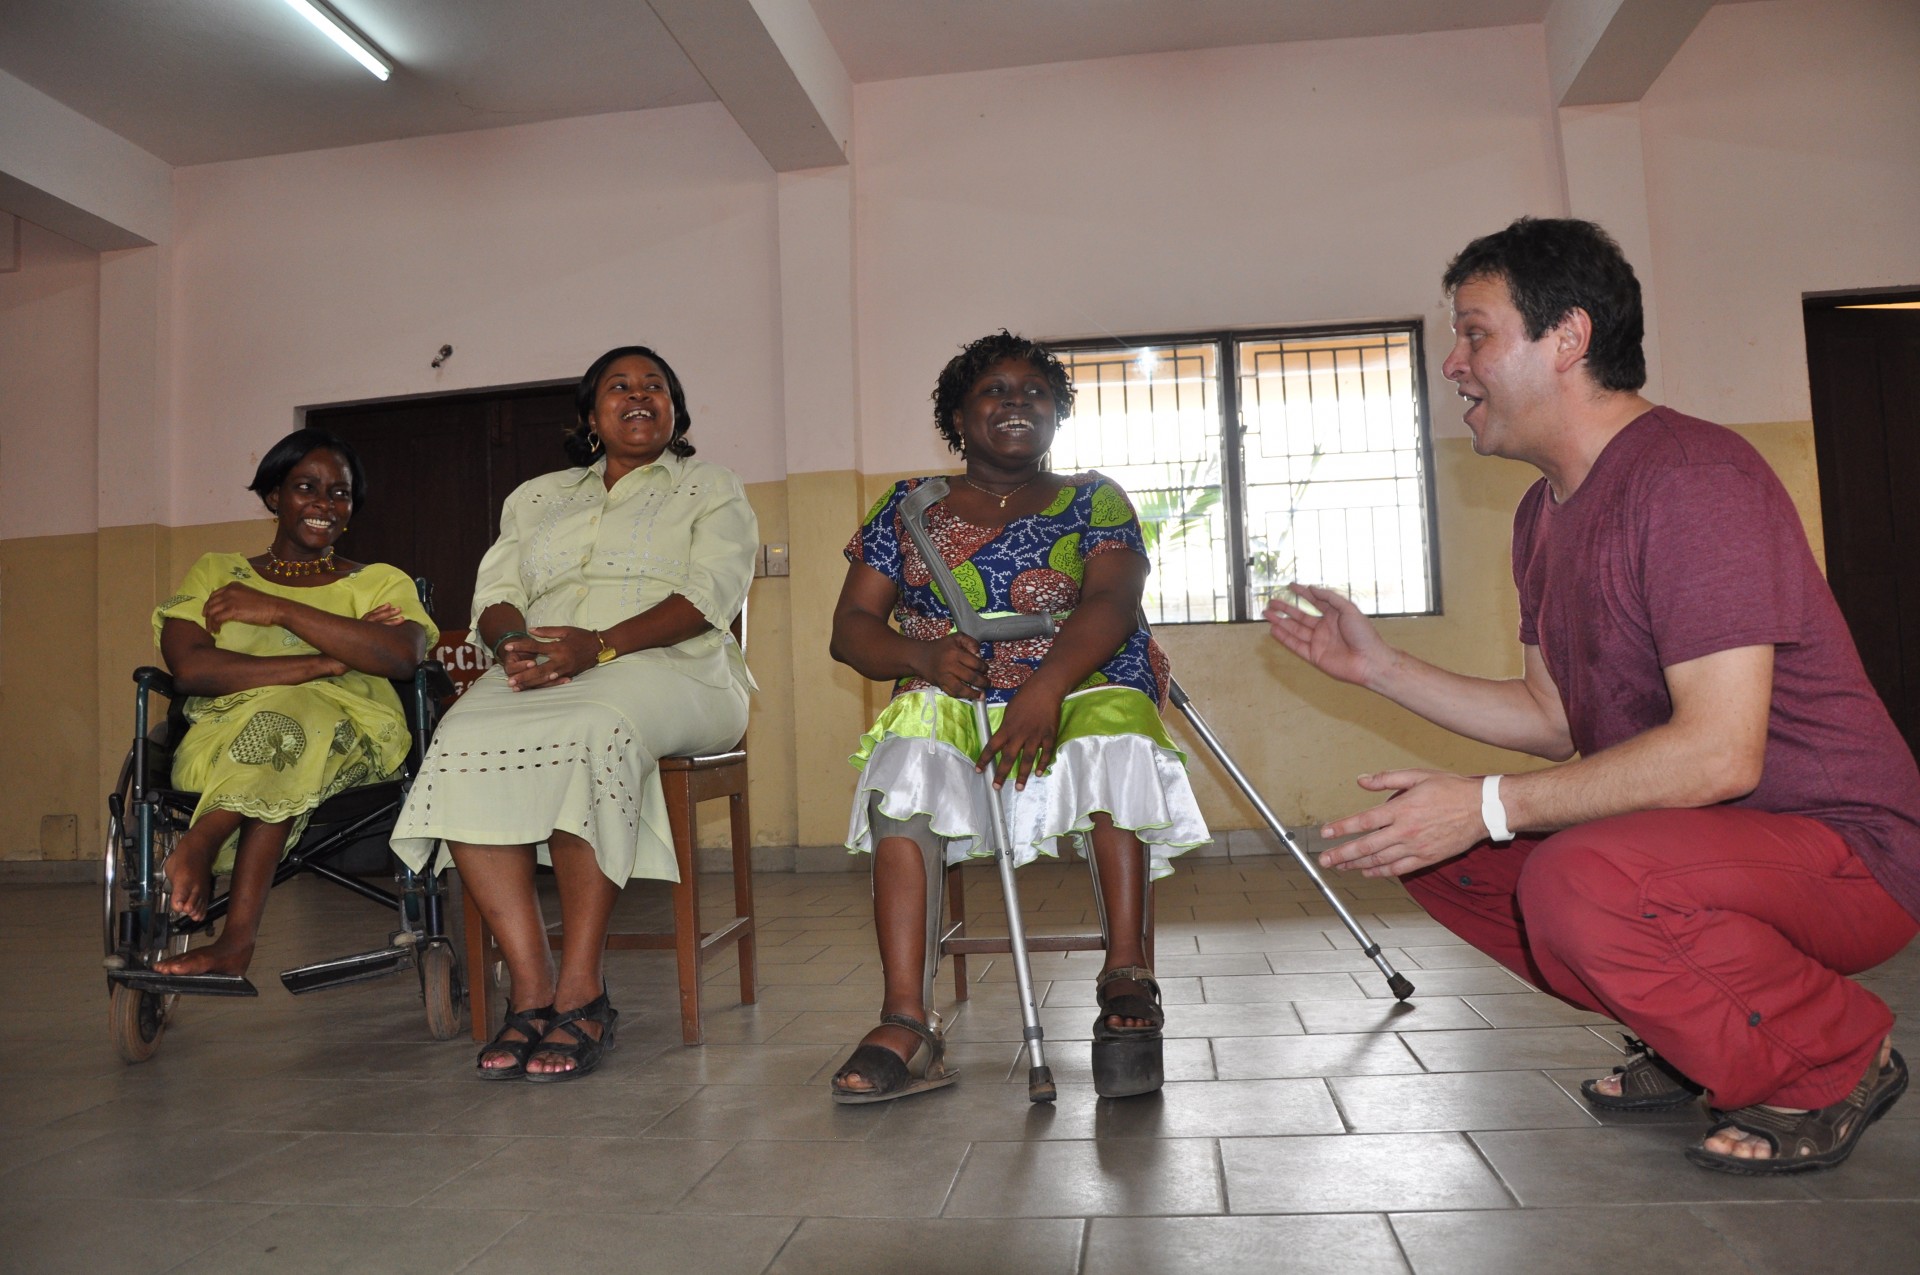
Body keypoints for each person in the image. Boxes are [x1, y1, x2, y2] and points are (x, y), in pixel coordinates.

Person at [1266, 217, 1919, 1173]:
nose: (1453, 363)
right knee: (1447, 853)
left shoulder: (1693, 479)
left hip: (1848, 853)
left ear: (1567, 337)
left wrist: (1485, 802)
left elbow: (1718, 753)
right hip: (1714, 843)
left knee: (1577, 877)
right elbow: (1554, 720)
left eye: (1475, 332)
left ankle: (1830, 1056)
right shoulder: (1544, 512)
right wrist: (1381, 668)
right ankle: (1700, 1038)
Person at [827, 330, 1209, 1102]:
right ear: (959, 418)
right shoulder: (907, 507)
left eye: (1035, 391)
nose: (1016, 403)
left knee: (1116, 741)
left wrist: (1043, 690)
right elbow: (852, 631)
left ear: (1058, 414)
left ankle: (1127, 973)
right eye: (994, 391)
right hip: (955, 687)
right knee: (901, 766)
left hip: (1083, 675)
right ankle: (908, 1017)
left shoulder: (1095, 497)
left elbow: (1111, 600)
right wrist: (922, 658)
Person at [391, 345, 757, 1082]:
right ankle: (532, 986)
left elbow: (709, 596)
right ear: (591, 416)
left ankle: (583, 988)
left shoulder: (710, 487)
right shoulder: (535, 497)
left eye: (656, 385)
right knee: (460, 734)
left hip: (674, 667)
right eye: (620, 387)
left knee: (591, 728)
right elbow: (495, 592)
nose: (640, 396)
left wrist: (603, 646)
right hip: (547, 662)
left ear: (676, 411)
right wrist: (512, 643)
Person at [152, 429, 436, 978]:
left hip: (351, 744)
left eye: (340, 493)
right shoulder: (216, 571)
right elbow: (192, 667)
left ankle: (205, 845)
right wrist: (328, 661)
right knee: (287, 719)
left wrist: (278, 611)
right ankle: (233, 938)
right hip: (221, 742)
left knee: (299, 718)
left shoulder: (379, 581)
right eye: (307, 487)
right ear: (274, 496)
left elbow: (401, 656)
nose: (325, 504)